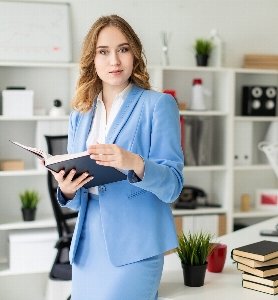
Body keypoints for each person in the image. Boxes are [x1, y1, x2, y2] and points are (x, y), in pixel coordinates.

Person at [46, 15, 184, 300]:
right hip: (88, 245)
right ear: (92, 60)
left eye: (123, 49)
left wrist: (134, 163)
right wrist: (67, 189)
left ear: (134, 54)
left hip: (138, 242)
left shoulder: (158, 105)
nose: (114, 61)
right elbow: (77, 198)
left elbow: (173, 186)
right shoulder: (80, 114)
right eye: (103, 52)